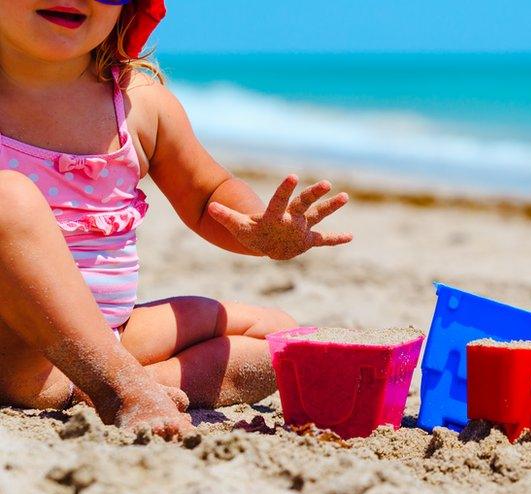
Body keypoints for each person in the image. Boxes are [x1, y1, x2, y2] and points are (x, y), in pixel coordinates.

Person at [0, 0, 353, 438]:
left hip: (112, 334)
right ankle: (119, 389)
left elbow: (207, 196)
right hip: (12, 337)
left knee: (282, 337)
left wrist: (260, 230)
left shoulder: (139, 105)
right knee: (7, 198)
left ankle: (116, 382)